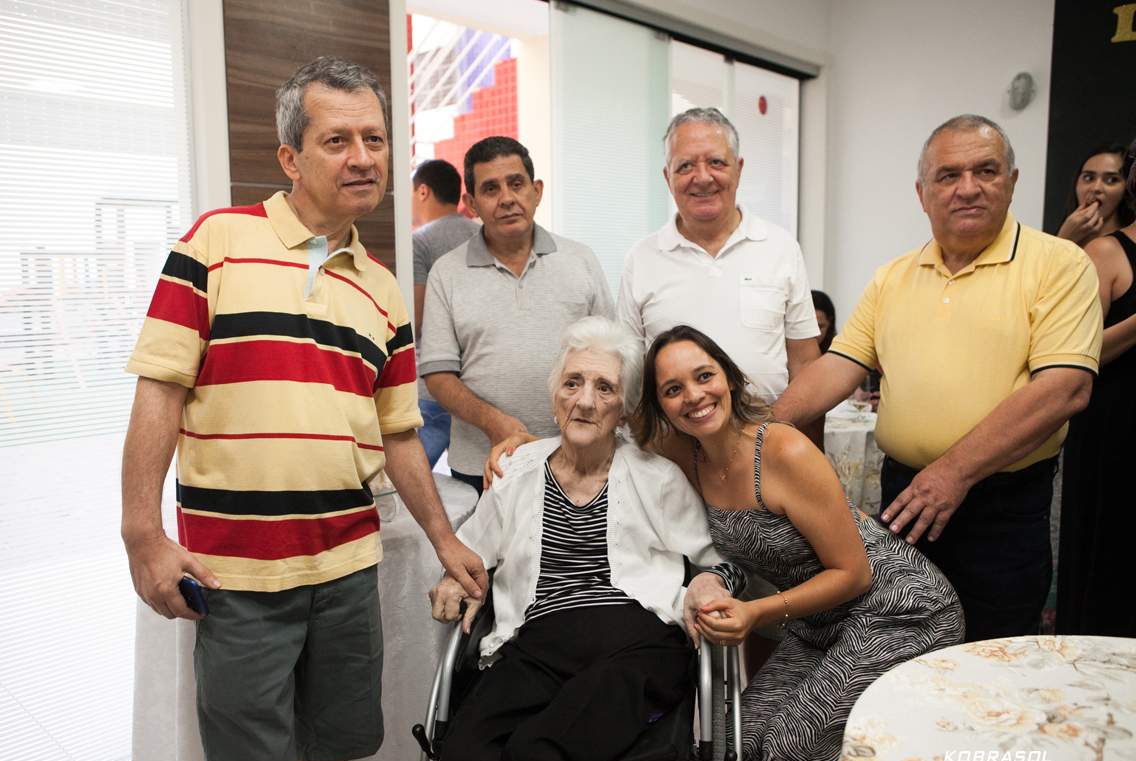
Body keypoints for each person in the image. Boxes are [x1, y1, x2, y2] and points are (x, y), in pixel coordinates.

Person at [120, 57, 485, 761]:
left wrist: (445, 540)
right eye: (337, 140)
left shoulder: (382, 288)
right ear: (290, 157)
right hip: (237, 571)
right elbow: (160, 387)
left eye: (375, 139)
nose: (363, 158)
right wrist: (141, 532)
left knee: (333, 743)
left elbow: (399, 434)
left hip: (348, 565)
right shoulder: (215, 243)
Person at [773, 114, 1102, 643]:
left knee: (991, 655)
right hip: (905, 493)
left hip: (1000, 508)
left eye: (986, 171)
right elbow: (836, 367)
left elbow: (1064, 389)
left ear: (1012, 181)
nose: (967, 188)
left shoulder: (1060, 264)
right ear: (922, 193)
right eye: (948, 175)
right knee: (898, 646)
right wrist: (760, 429)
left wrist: (953, 472)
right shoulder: (892, 276)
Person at [637, 325, 962, 761]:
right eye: (672, 389)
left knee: (789, 749)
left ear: (728, 378)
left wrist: (755, 613)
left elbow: (854, 574)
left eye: (704, 376)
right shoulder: (681, 452)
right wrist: (532, 444)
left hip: (899, 608)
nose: (693, 396)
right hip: (819, 621)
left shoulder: (783, 450)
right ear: (660, 405)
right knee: (735, 746)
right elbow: (609, 437)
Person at [428, 317, 742, 761]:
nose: (585, 401)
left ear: (625, 410)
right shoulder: (516, 470)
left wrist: (708, 582)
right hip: (536, 643)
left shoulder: (657, 477)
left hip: (637, 643)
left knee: (537, 753)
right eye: (572, 383)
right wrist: (457, 581)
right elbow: (469, 552)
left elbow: (723, 561)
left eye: (605, 388)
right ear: (555, 395)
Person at [419, 136, 614, 495]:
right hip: (483, 467)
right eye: (490, 189)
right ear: (471, 204)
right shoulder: (446, 273)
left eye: (516, 184)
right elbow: (438, 375)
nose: (507, 198)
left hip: (577, 459)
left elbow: (614, 358)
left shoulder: (581, 261)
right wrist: (492, 422)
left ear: (536, 192)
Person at [617, 107, 822, 441]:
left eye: (716, 162)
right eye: (685, 166)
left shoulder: (781, 246)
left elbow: (806, 366)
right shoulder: (641, 258)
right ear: (668, 177)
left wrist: (803, 450)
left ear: (738, 170)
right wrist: (652, 449)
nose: (702, 177)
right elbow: (630, 376)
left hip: (769, 448)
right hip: (673, 456)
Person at [1058, 140, 1136, 637]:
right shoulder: (1104, 251)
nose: (1099, 187)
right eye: (1090, 176)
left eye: (1111, 177)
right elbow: (1074, 352)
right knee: (1110, 548)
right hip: (1115, 423)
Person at [411, 159, 480, 467]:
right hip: (477, 387)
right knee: (474, 483)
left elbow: (415, 320)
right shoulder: (484, 237)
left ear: (423, 191)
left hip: (431, 390)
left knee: (415, 484)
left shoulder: (419, 241)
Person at [1056, 144, 1136, 247]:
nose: (1096, 188)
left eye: (1112, 180)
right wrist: (1064, 239)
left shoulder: (1128, 245)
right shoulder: (1047, 242)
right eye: (1089, 178)